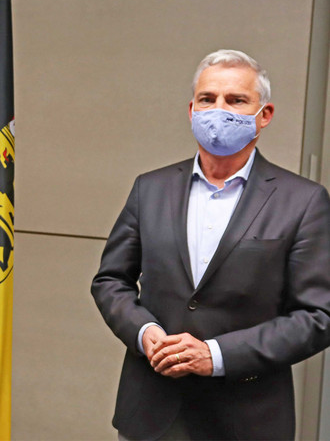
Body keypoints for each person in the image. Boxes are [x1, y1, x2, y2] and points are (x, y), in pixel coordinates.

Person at [91, 49, 330, 440]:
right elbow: (110, 281)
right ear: (191, 110)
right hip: (152, 413)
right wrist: (143, 331)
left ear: (264, 115)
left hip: (247, 419)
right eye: (208, 99)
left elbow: (319, 315)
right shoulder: (149, 188)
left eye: (236, 100)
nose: (219, 109)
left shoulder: (302, 201)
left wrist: (216, 355)